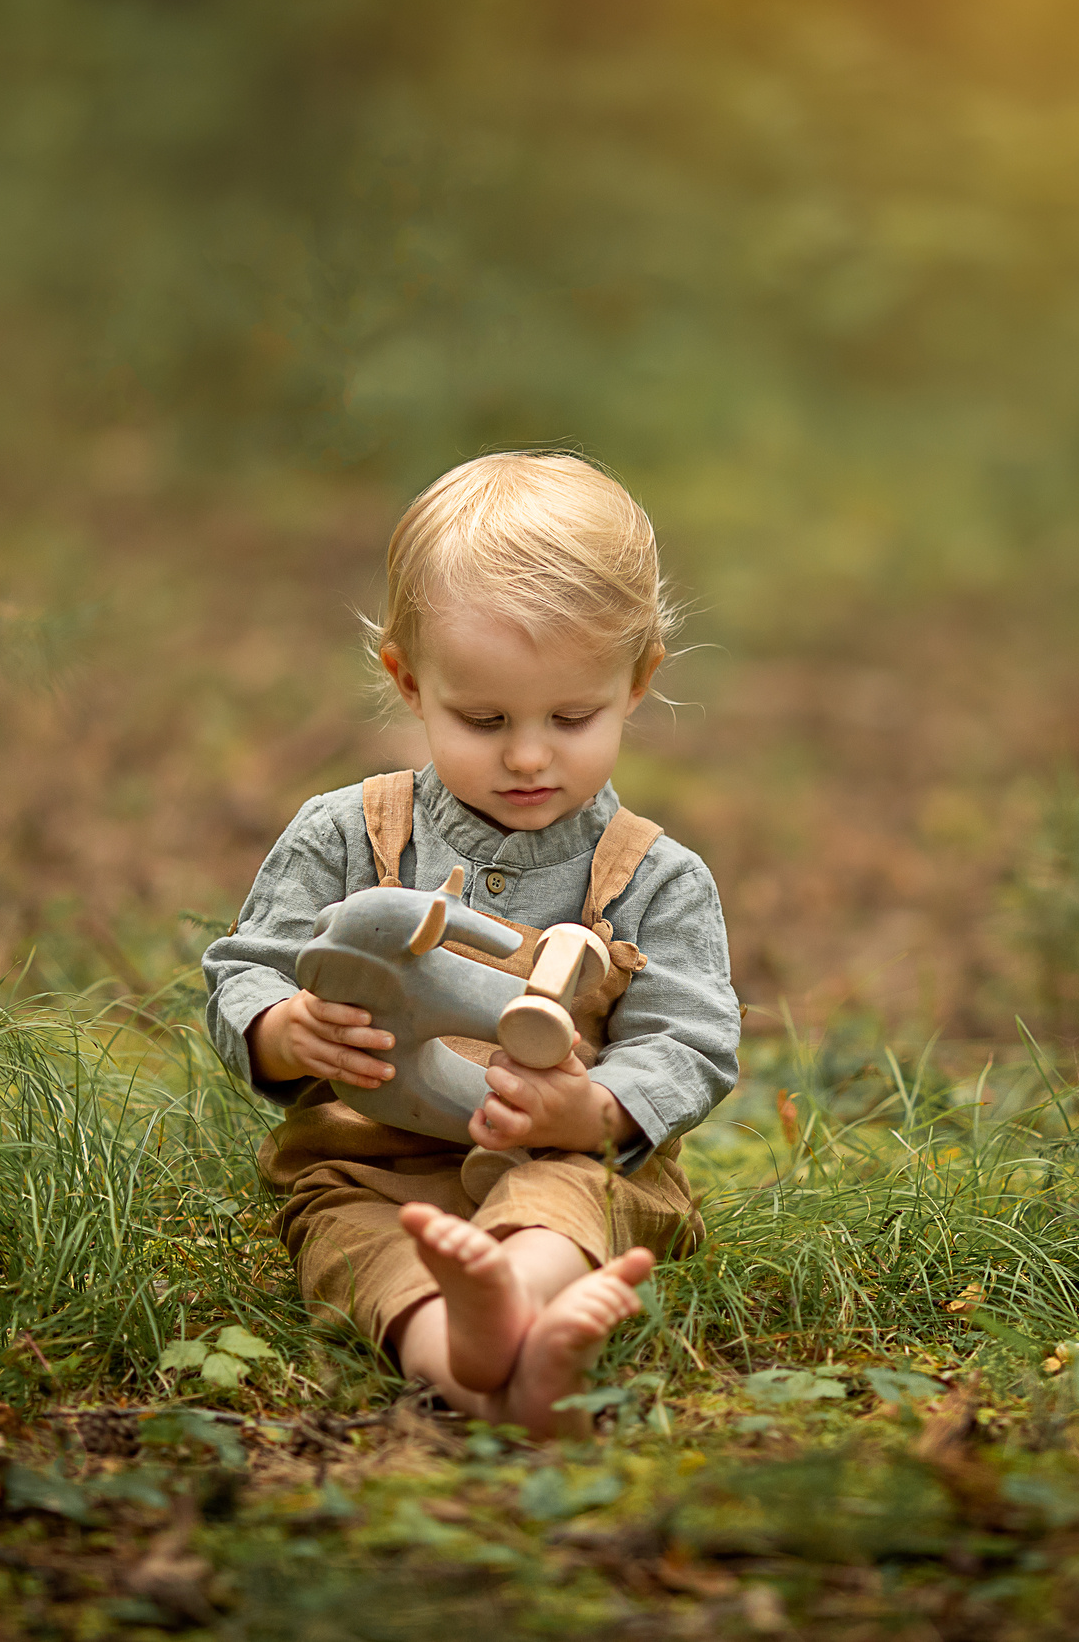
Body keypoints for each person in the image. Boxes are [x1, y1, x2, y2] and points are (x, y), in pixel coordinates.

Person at [202, 452, 741, 1437]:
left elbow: (690, 1040)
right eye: (482, 718)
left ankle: (514, 1304)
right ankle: (476, 1359)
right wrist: (286, 1031)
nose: (529, 754)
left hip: (557, 1156)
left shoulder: (653, 877)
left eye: (571, 717)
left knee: (563, 1200)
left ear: (639, 683)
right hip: (372, 1168)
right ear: (408, 683)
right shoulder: (346, 834)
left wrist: (594, 1106)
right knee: (358, 1242)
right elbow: (245, 972)